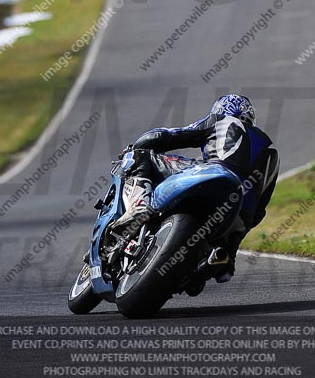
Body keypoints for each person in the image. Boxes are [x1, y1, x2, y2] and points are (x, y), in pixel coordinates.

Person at [113, 93, 279, 283]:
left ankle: (139, 204)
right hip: (240, 215)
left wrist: (138, 145)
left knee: (141, 156)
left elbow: (169, 136)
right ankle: (224, 260)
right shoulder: (272, 154)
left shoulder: (221, 120)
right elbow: (260, 210)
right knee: (225, 256)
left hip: (215, 174)